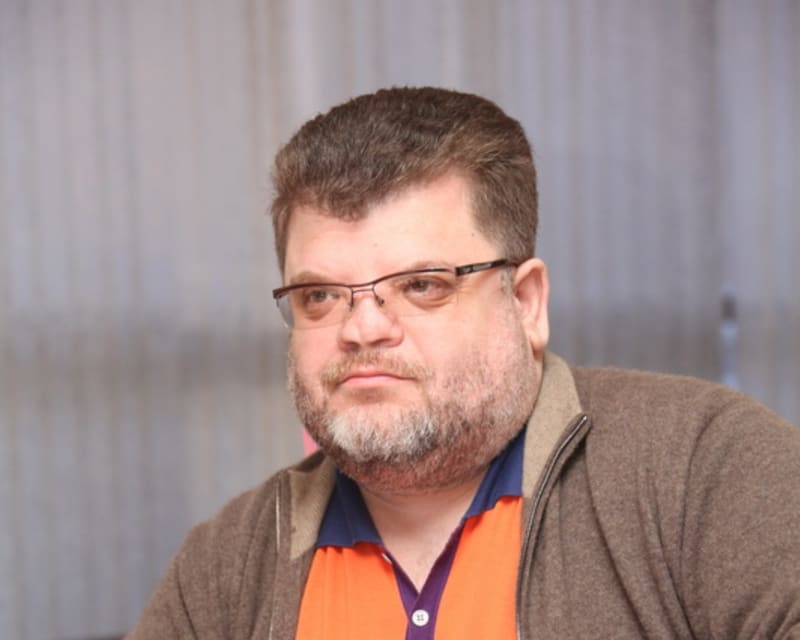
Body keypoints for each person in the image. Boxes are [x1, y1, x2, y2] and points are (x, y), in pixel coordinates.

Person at [127, 87, 800, 639]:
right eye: (321, 296)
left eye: (422, 285)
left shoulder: (704, 470)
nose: (362, 328)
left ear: (526, 302)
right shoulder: (224, 566)